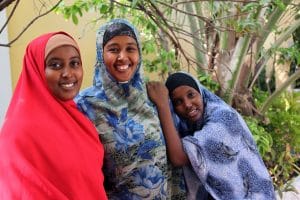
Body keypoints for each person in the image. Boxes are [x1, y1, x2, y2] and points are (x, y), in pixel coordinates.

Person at [75, 18, 186, 199]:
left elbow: (176, 160)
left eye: (130, 49)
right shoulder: (85, 106)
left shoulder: (152, 98)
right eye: (113, 49)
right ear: (100, 54)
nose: (123, 57)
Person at [0, 32, 107, 199]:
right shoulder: (18, 131)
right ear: (36, 70)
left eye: (74, 63)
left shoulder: (80, 120)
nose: (68, 73)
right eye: (55, 65)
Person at [147, 71, 276, 200]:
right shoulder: (190, 125)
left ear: (201, 93)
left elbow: (178, 157)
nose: (187, 104)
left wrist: (162, 104)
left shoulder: (223, 119)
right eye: (178, 102)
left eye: (191, 95)